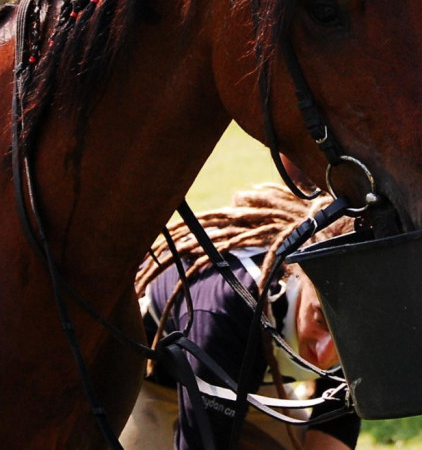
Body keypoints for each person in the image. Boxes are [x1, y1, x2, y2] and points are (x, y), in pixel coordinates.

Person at [120, 180, 359, 450]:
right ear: (300, 274)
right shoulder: (228, 309)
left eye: (348, 338)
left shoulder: (368, 309)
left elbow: (334, 428)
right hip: (154, 382)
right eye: (319, 320)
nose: (324, 352)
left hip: (247, 380)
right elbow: (201, 443)